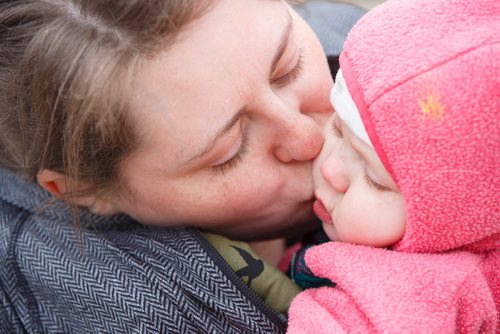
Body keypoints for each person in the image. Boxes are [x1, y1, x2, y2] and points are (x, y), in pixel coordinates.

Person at [0, 0, 366, 332]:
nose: (308, 139)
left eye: (288, 67)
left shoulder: (370, 38)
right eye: (230, 152)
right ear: (84, 190)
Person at [286, 0, 500, 332]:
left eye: (373, 179)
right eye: (338, 129)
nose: (331, 169)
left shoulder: (417, 297)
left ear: (455, 218)